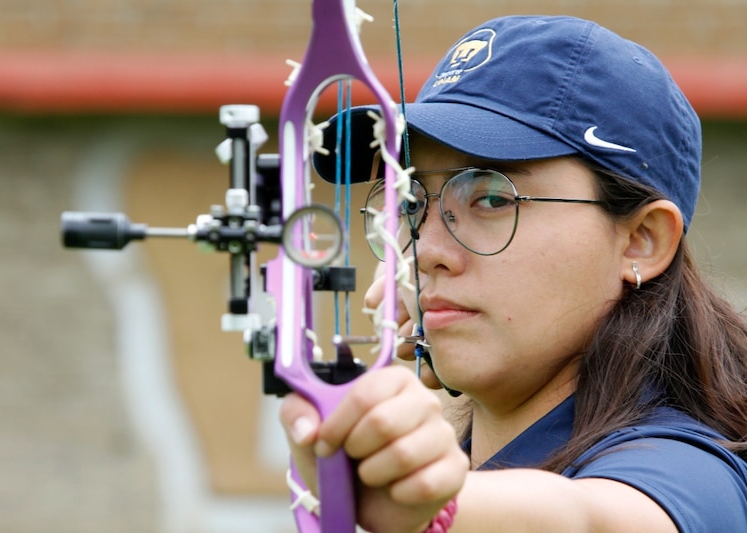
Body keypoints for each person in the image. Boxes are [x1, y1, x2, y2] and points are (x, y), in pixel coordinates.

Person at [280, 15, 747, 533]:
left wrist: (436, 506)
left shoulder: (689, 473)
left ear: (643, 240)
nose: (426, 251)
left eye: (493, 198)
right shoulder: (473, 461)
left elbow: (586, 519)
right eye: (411, 206)